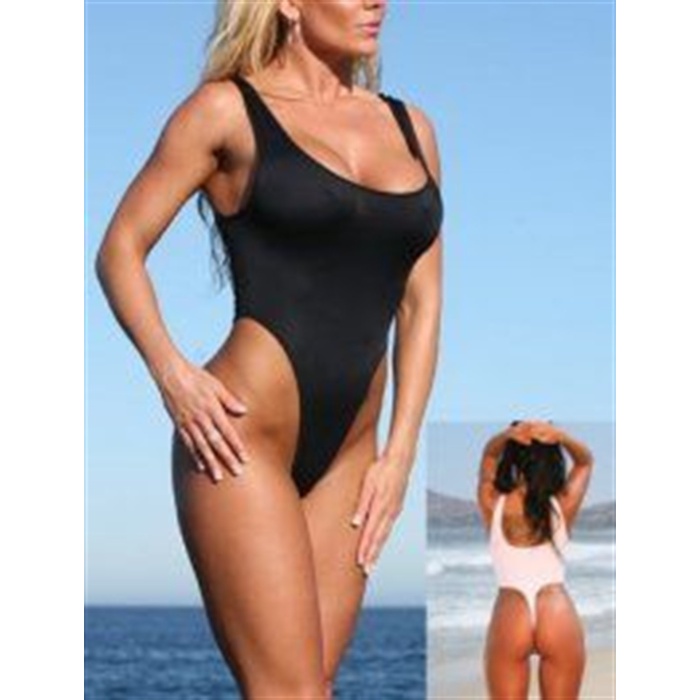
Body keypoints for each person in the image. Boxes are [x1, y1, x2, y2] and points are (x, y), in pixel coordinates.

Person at [94, 1, 443, 697]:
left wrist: (400, 453)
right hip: (240, 435)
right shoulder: (224, 111)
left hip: (353, 452)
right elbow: (120, 249)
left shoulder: (411, 128)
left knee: (314, 687)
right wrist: (174, 376)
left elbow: (422, 300)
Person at [477, 421, 594, 699]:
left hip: (511, 613)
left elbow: (488, 456)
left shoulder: (492, 501)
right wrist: (562, 437)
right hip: (556, 611)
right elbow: (585, 462)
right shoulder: (563, 503)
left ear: (511, 456)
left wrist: (505, 436)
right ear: (553, 458)